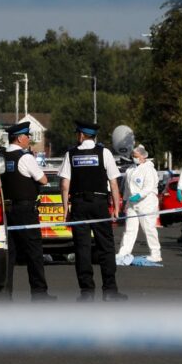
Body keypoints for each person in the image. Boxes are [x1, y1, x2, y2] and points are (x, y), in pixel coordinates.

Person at [59, 120, 127, 302]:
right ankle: (110, 291)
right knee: (106, 247)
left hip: (79, 204)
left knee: (82, 249)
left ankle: (87, 292)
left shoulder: (71, 154)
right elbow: (114, 182)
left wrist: (66, 209)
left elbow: (65, 185)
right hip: (99, 204)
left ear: (81, 135)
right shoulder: (104, 153)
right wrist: (116, 208)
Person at [0, 121, 55, 302]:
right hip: (25, 210)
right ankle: (39, 293)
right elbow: (44, 179)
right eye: (27, 136)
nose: (29, 139)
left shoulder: (0, 157)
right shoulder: (25, 158)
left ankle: (6, 294)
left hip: (6, 210)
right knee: (34, 252)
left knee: (10, 254)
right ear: (19, 138)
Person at [117, 145, 162, 262]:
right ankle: (124, 252)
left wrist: (139, 195)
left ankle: (156, 254)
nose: (134, 158)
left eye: (136, 156)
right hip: (132, 204)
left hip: (146, 203)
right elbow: (127, 188)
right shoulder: (130, 170)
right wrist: (125, 201)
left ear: (143, 157)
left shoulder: (149, 169)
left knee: (149, 229)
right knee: (129, 229)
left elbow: (149, 187)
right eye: (133, 156)